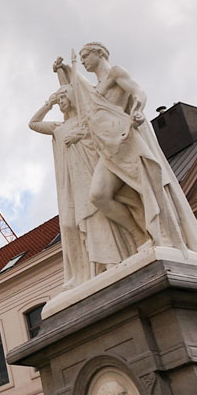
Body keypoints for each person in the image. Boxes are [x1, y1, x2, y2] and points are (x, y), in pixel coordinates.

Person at [53, 44, 197, 261]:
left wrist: (137, 109)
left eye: (86, 55)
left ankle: (161, 235)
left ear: (100, 53)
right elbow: (83, 91)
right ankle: (139, 236)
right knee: (98, 196)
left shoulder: (116, 72)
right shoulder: (96, 88)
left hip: (127, 143)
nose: (84, 60)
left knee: (146, 189)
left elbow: (138, 91)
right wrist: (67, 70)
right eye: (81, 57)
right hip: (109, 149)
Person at [30, 83, 137, 287]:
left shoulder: (85, 121)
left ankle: (110, 262)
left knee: (95, 216)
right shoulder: (58, 127)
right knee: (71, 224)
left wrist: (81, 135)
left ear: (72, 98)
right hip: (69, 182)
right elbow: (33, 123)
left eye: (63, 98)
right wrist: (48, 103)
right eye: (59, 99)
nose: (61, 102)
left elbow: (102, 138)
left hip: (88, 173)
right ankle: (83, 272)